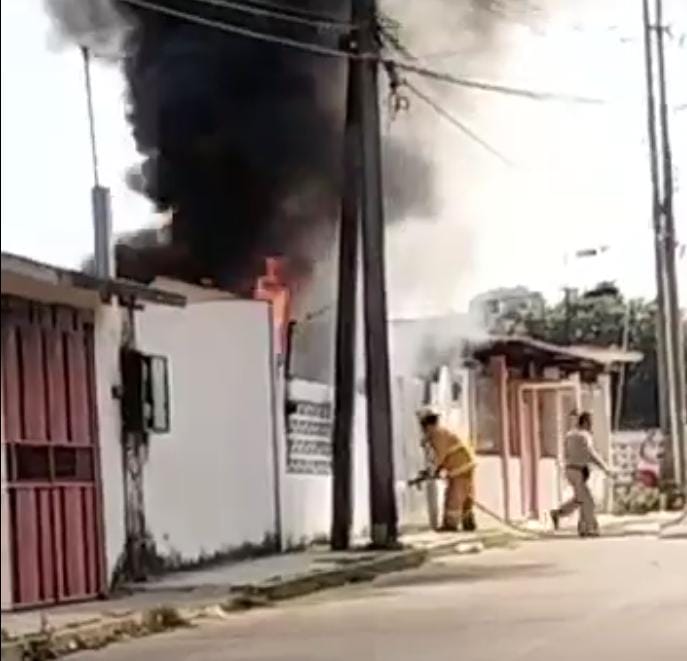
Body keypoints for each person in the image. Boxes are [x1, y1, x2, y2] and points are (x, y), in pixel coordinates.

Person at [550, 412, 615, 537]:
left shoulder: (569, 435)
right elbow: (591, 454)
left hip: (570, 470)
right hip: (578, 471)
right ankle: (589, 528)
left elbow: (568, 453)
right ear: (585, 422)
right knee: (588, 501)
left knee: (580, 499)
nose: (591, 425)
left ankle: (560, 514)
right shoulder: (584, 435)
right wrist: (605, 468)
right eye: (590, 423)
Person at [417, 408, 477, 532]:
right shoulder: (441, 432)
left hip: (460, 467)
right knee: (465, 494)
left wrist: (431, 471)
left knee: (454, 495)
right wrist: (436, 470)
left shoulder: (437, 434)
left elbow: (439, 456)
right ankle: (468, 521)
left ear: (426, 424)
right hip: (465, 465)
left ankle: (450, 524)